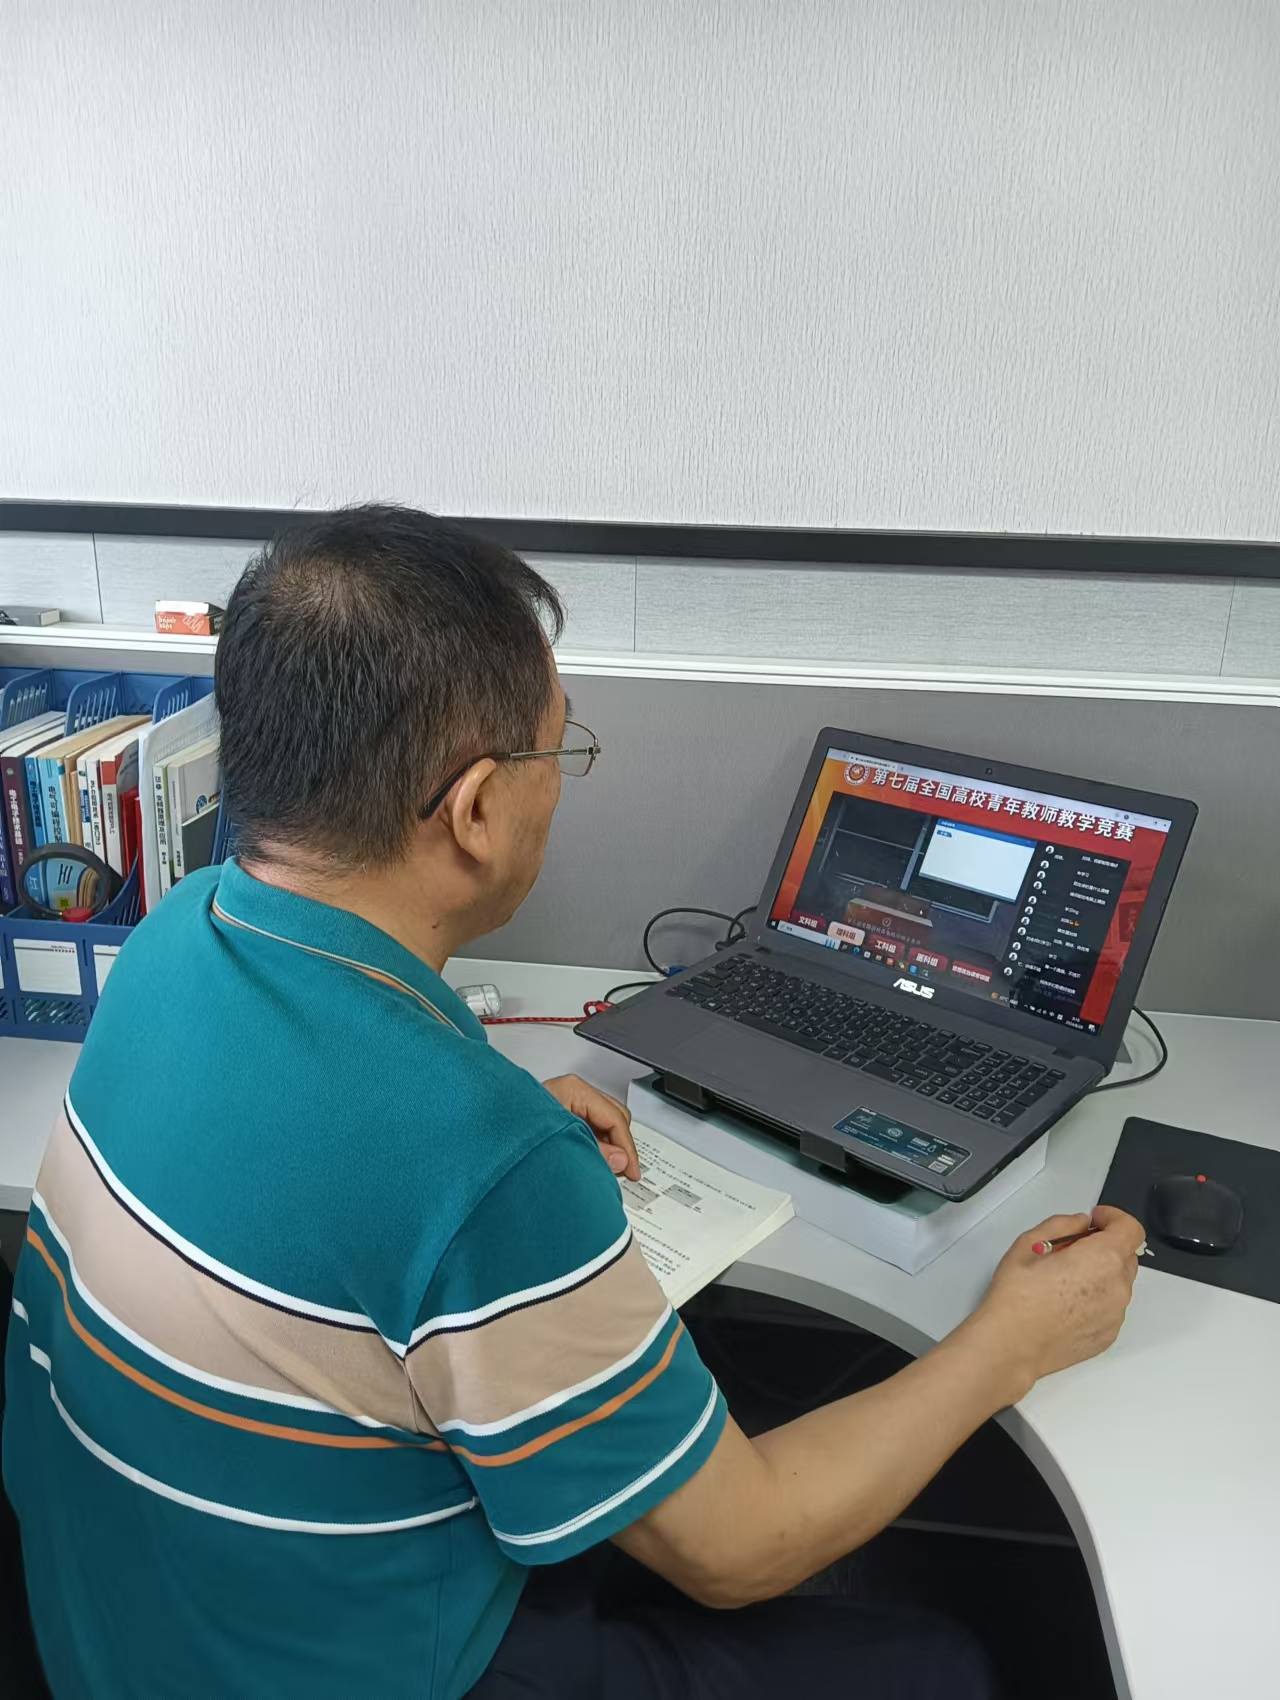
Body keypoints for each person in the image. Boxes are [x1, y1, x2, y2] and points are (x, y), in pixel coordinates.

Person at [3, 506, 1144, 1700]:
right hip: (357, 1670)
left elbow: (308, 1126)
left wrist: (489, 1126)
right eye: (558, 749)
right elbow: (742, 1547)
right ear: (475, 807)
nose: (560, 783)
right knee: (939, 1664)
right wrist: (1008, 1343)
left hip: (121, 1626)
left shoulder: (174, 934)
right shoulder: (476, 1160)